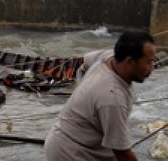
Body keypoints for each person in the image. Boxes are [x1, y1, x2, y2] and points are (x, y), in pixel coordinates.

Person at [44, 31, 155, 161]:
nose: (152, 68)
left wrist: (85, 90)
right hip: (70, 152)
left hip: (85, 143)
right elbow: (122, 153)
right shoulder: (112, 99)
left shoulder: (107, 57)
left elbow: (86, 60)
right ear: (129, 61)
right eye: (149, 62)